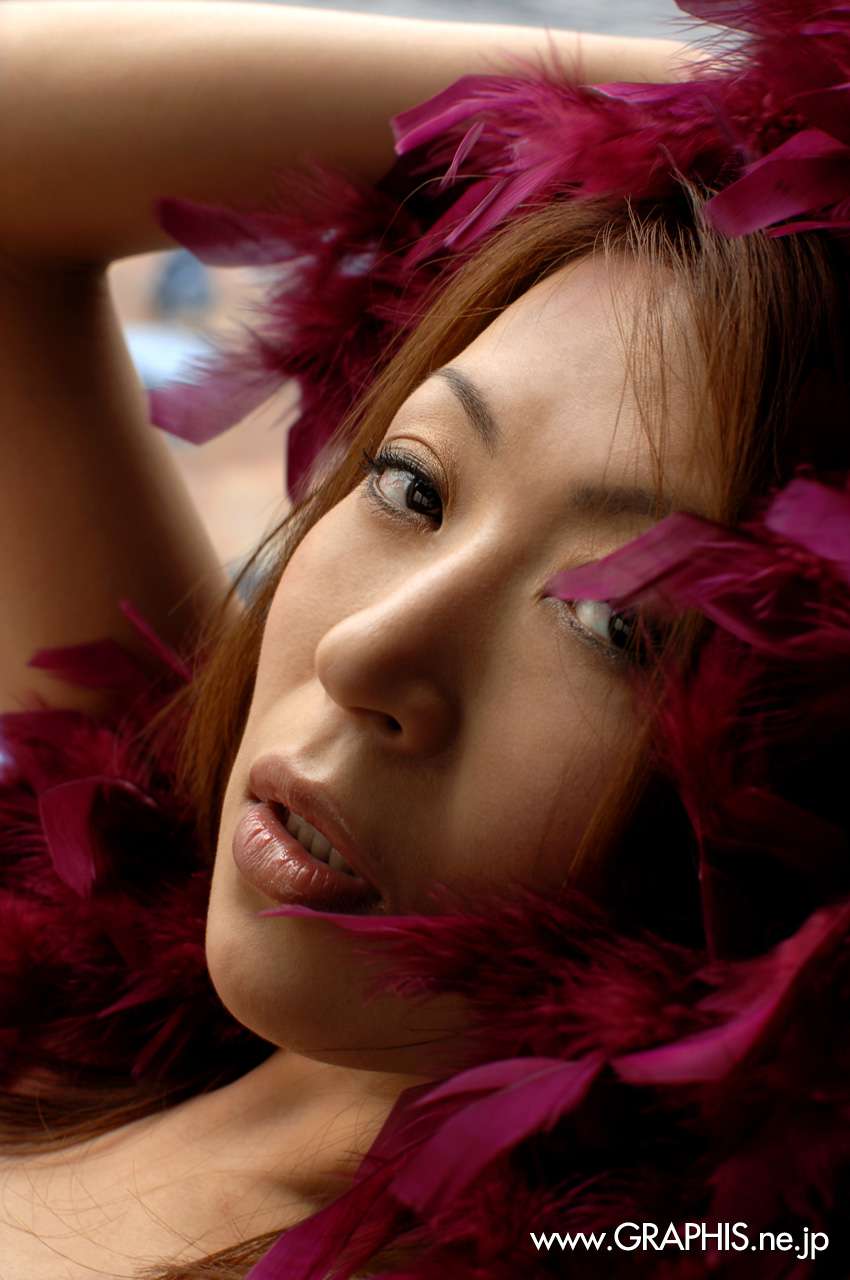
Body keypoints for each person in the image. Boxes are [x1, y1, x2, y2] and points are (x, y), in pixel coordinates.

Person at [1, 2, 849, 1278]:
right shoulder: (114, 940)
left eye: (619, 622)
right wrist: (760, 122)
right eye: (412, 485)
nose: (362, 656)